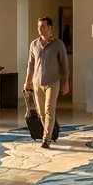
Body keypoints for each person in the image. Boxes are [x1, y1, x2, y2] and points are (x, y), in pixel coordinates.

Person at [24, 16, 70, 149]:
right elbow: (30, 65)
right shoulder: (34, 44)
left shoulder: (58, 44)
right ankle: (49, 133)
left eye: (42, 26)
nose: (40, 29)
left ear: (50, 28)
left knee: (49, 110)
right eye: (38, 26)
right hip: (37, 82)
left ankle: (46, 139)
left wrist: (65, 83)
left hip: (53, 82)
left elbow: (64, 66)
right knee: (41, 112)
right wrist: (27, 82)